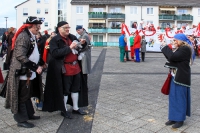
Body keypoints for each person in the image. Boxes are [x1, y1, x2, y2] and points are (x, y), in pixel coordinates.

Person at [5, 16, 45, 128]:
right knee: (22, 95)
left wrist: (41, 62)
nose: (39, 27)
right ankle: (21, 120)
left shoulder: (31, 35)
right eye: (37, 26)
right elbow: (20, 55)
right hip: (22, 72)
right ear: (31, 26)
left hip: (29, 71)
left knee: (27, 94)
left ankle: (29, 114)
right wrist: (35, 66)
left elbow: (33, 52)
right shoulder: (23, 36)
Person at [42, 21, 88, 119]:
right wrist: (69, 48)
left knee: (76, 88)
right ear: (59, 28)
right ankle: (64, 110)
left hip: (76, 67)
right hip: (64, 68)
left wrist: (82, 44)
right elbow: (54, 53)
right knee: (65, 90)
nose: (67, 29)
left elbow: (80, 48)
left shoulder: (72, 37)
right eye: (65, 27)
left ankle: (75, 108)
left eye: (68, 27)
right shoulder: (54, 40)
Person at [160, 33, 192, 128]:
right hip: (175, 76)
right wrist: (165, 49)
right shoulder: (179, 49)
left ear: (181, 40)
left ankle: (180, 119)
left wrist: (164, 46)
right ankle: (173, 117)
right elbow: (171, 58)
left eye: (175, 40)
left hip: (181, 77)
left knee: (180, 98)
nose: (173, 42)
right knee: (173, 97)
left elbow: (173, 57)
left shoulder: (185, 49)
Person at [76, 26, 91, 99]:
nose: (78, 31)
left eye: (79, 30)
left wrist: (77, 48)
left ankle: (85, 88)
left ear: (82, 29)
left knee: (84, 72)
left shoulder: (85, 35)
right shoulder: (82, 35)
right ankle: (83, 87)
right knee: (83, 72)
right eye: (77, 30)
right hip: (83, 55)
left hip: (84, 55)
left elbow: (85, 46)